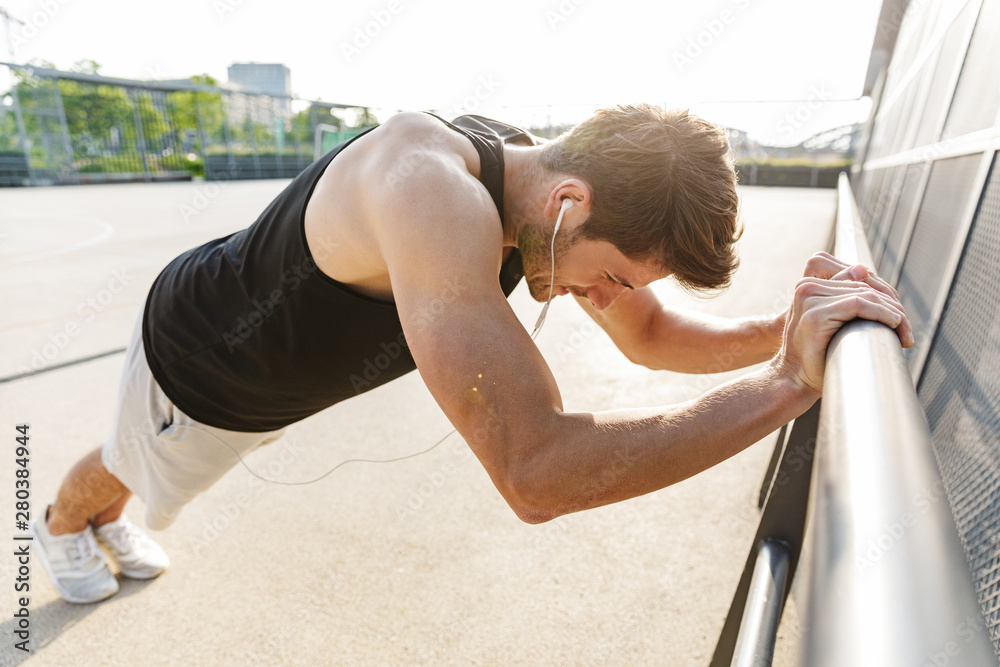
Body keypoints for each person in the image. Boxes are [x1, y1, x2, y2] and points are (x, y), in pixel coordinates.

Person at [30, 105, 913, 604]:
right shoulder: (432, 192)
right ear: (572, 199)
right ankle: (64, 524)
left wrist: (796, 321)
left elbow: (650, 337)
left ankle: (108, 511)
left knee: (158, 463)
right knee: (134, 457)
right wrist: (787, 382)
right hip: (201, 358)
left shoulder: (532, 187)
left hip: (272, 381)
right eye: (609, 275)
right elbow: (537, 471)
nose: (606, 300)